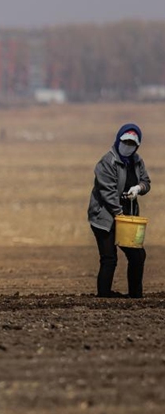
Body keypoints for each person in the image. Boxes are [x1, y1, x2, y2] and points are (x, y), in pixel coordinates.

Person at [87, 124, 151, 298]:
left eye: (132, 143)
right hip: (104, 217)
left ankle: (135, 296)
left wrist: (139, 187)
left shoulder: (137, 161)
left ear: (137, 145)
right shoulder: (107, 162)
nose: (128, 145)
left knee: (138, 256)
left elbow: (146, 182)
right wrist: (119, 214)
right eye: (125, 141)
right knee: (109, 258)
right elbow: (107, 192)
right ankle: (104, 296)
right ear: (118, 140)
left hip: (126, 218)